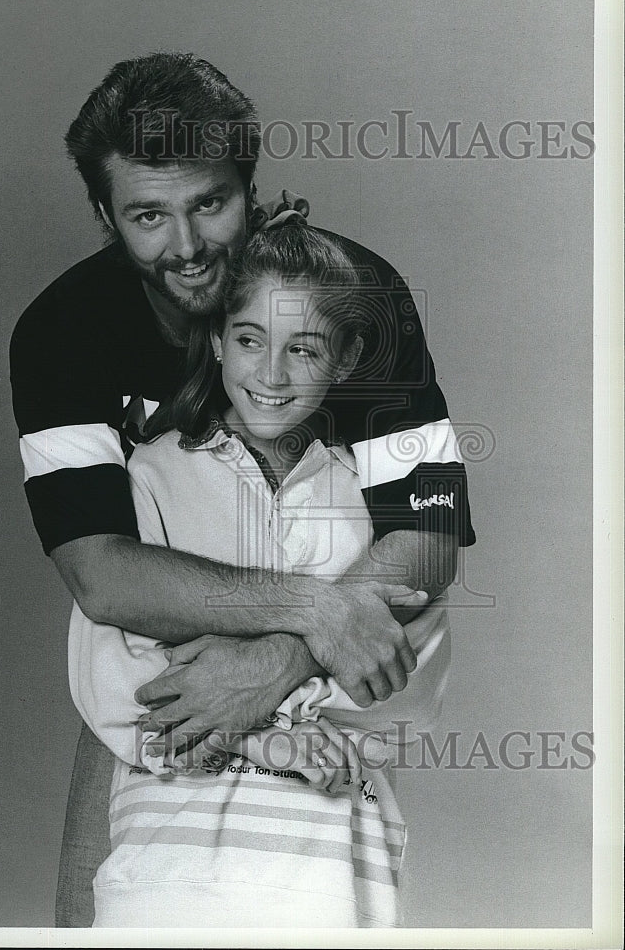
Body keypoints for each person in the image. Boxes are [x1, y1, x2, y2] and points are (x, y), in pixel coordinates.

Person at [9, 52, 475, 926]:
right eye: (148, 215)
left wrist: (287, 653)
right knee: (96, 912)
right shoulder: (60, 331)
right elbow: (104, 576)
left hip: (324, 711)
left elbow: (431, 529)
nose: (185, 248)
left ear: (249, 188)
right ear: (104, 214)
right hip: (162, 685)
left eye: (209, 204)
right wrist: (310, 612)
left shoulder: (351, 298)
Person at [69, 222, 455, 927]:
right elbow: (108, 670)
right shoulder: (153, 475)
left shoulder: (368, 500)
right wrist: (259, 734)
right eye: (249, 340)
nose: (271, 375)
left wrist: (259, 675)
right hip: (167, 868)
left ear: (345, 358)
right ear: (216, 339)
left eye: (302, 350)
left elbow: (412, 668)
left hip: (327, 872)